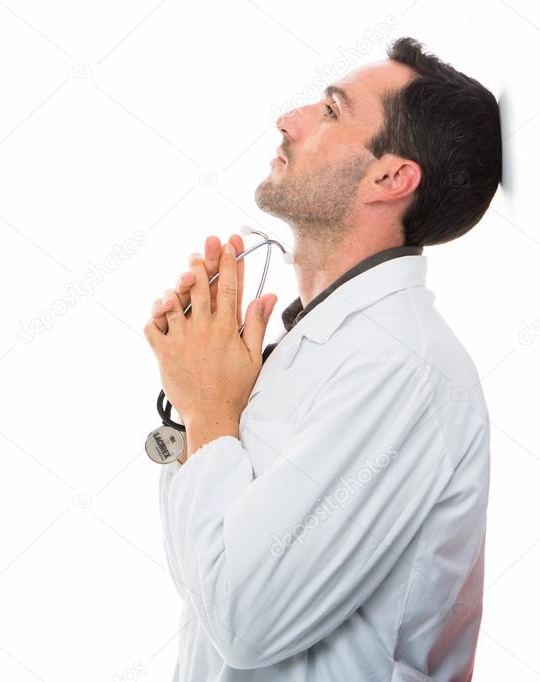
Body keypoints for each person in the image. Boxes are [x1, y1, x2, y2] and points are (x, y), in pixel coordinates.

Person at [143, 36, 501, 680]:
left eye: (333, 112)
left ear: (390, 177)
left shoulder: (402, 369)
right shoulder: (308, 350)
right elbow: (204, 580)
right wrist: (198, 398)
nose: (290, 120)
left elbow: (247, 625)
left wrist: (207, 412)